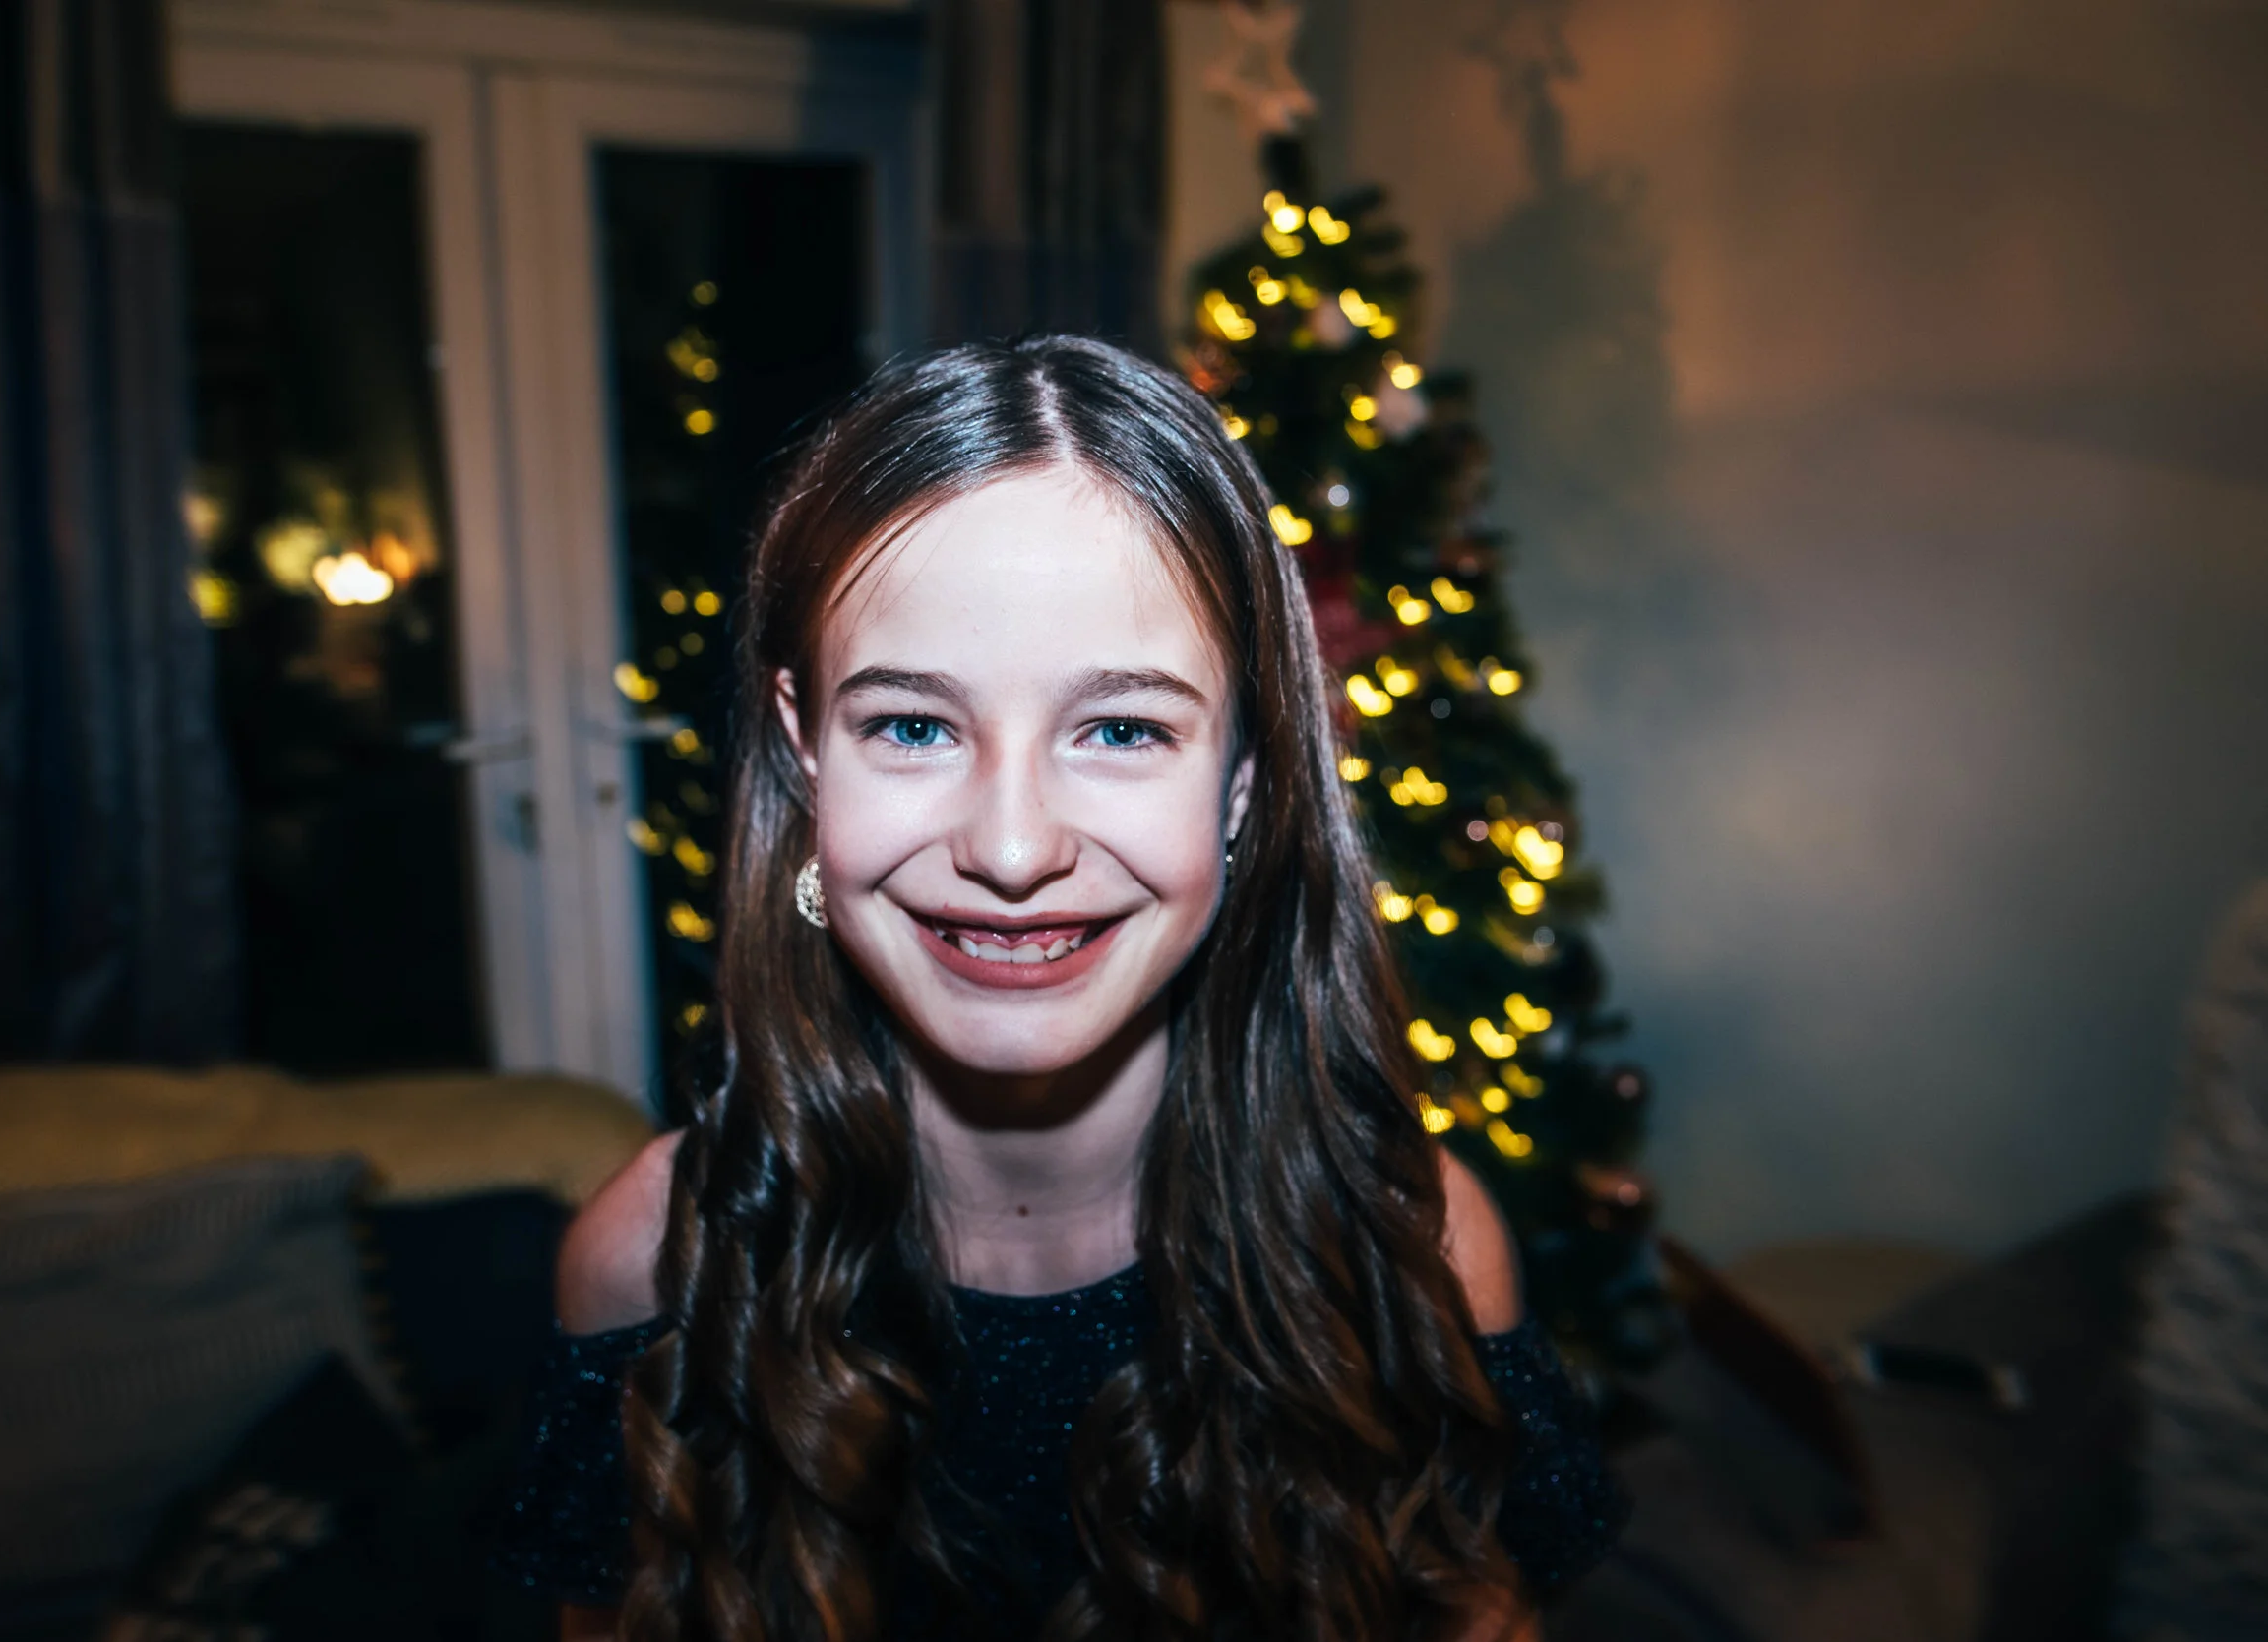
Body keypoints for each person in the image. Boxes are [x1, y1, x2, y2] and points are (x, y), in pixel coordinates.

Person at [495, 335, 1625, 1641]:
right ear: (807, 752)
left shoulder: (1412, 1249)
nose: (1014, 848)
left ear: (1244, 780)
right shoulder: (652, 1263)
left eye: (1124, 729)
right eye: (912, 726)